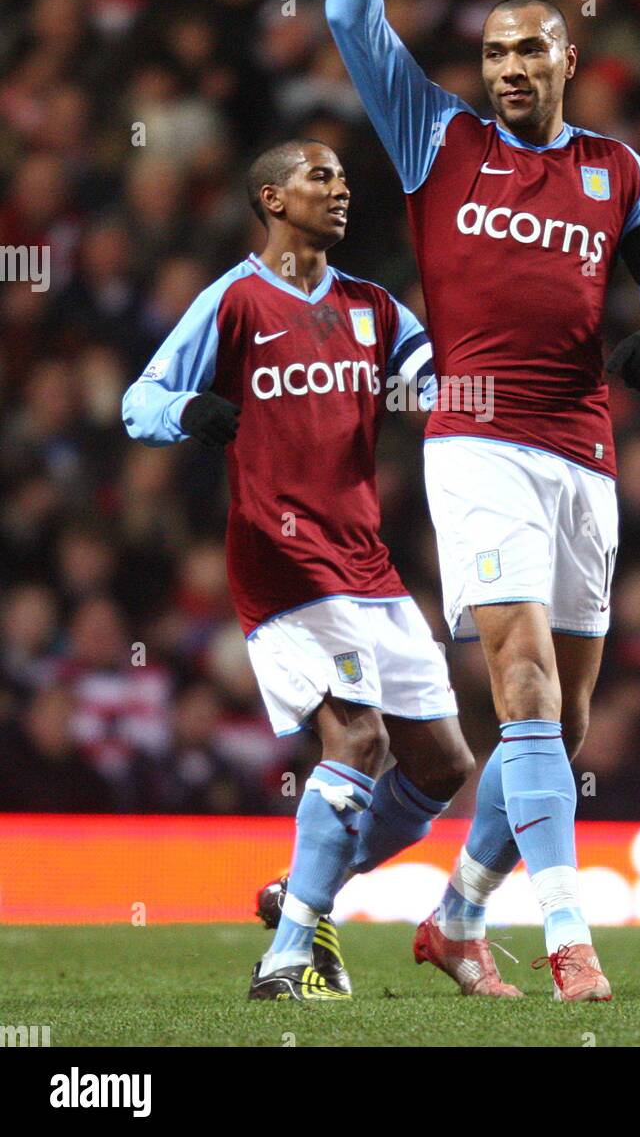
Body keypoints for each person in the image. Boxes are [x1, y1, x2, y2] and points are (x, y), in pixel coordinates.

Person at [325, 0, 640, 1001]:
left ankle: (451, 918)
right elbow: (347, 11)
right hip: (475, 436)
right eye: (489, 52)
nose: (502, 70)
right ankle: (568, 937)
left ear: (565, 58)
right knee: (525, 684)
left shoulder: (615, 167)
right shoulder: (433, 137)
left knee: (565, 719)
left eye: (522, 51)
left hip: (582, 453)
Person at [122, 138, 473, 1000]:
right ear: (272, 198)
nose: (342, 189)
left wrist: (472, 390)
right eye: (321, 177)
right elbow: (140, 402)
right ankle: (285, 962)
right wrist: (191, 409)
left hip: (368, 561)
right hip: (281, 559)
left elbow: (436, 381)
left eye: (346, 178)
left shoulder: (373, 308)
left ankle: (300, 901)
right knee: (358, 736)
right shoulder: (235, 301)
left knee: (442, 766)